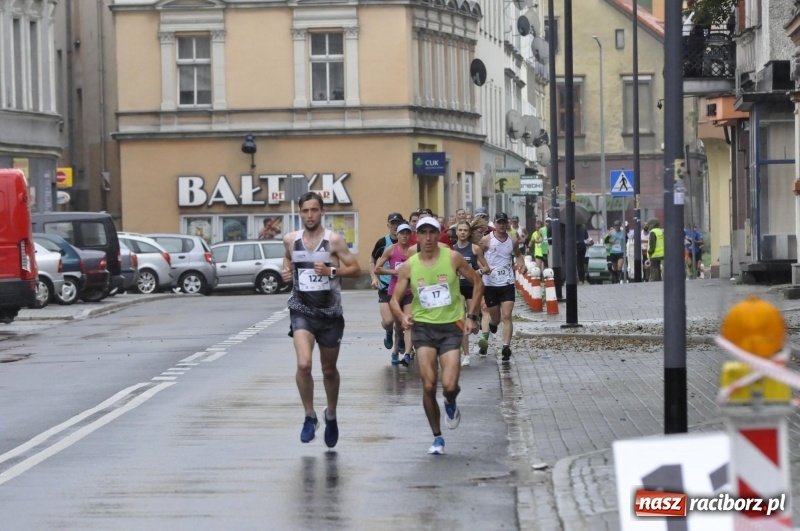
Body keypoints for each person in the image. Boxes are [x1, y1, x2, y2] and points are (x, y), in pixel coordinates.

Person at [390, 216, 483, 455]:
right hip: (423, 328)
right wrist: (401, 316)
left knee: (449, 386)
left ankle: (451, 402)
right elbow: (394, 300)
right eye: (423, 233)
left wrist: (472, 316)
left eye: (433, 232)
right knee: (429, 385)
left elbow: (477, 282)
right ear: (417, 236)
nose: (428, 238)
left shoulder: (452, 258)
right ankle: (437, 437)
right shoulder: (410, 265)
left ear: (438, 235)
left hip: (451, 327)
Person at [281, 191, 361, 448]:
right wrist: (285, 271)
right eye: (305, 211)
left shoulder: (334, 241)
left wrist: (331, 271)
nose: (309, 215)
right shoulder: (291, 240)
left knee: (328, 370)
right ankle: (309, 416)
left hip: (330, 314)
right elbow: (287, 259)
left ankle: (332, 414)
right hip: (301, 310)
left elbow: (355, 268)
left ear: (322, 212)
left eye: (314, 210)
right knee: (304, 364)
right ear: (300, 213)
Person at [477, 212, 528, 361]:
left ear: (507, 224)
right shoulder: (486, 240)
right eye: (499, 222)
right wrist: (484, 267)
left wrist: (522, 265)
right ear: (494, 224)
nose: (501, 225)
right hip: (490, 283)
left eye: (504, 222)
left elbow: (518, 255)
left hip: (507, 282)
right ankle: (493, 324)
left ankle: (506, 346)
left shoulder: (512, 241)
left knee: (507, 315)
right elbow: (477, 256)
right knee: (496, 318)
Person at [373, 222, 416, 366]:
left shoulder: (413, 251)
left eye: (407, 233)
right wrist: (395, 272)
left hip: (409, 292)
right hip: (394, 292)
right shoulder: (391, 250)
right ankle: (395, 351)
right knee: (398, 326)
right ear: (397, 235)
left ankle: (408, 355)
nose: (404, 236)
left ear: (410, 235)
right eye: (401, 234)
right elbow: (377, 269)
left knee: (408, 323)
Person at [453, 219, 489, 367]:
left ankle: (476, 322)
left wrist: (475, 272)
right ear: (456, 232)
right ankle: (466, 355)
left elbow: (487, 268)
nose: (462, 233)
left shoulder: (475, 249)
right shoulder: (452, 250)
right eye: (460, 230)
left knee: (472, 321)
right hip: (457, 288)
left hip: (472, 287)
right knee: (461, 321)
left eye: (465, 230)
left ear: (469, 233)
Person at [369, 213, 402, 352]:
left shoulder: (407, 243)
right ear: (388, 225)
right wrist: (374, 278)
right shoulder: (382, 243)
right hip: (385, 285)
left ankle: (398, 346)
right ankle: (388, 331)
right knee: (389, 321)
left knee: (399, 323)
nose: (395, 226)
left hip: (402, 286)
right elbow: (372, 261)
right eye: (392, 223)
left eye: (398, 223)